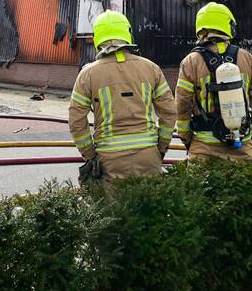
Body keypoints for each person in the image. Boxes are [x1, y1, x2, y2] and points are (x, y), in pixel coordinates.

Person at [68, 10, 175, 181]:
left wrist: (89, 155)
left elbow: (76, 120)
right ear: (127, 33)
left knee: (115, 208)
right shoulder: (151, 68)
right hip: (149, 157)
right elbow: (169, 113)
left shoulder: (88, 74)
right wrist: (160, 148)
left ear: (98, 37)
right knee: (151, 205)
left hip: (109, 160)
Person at [174, 2, 252, 162]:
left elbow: (181, 105)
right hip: (241, 144)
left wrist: (187, 139)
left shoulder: (191, 62)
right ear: (228, 25)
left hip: (203, 148)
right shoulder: (248, 59)